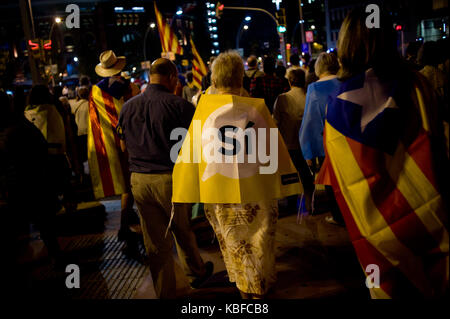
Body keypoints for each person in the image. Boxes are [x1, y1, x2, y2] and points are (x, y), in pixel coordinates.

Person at [317, 8, 449, 298]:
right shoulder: (418, 84)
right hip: (432, 221)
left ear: (346, 43)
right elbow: (437, 145)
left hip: (377, 234)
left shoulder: (336, 105)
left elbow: (346, 182)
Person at [118, 58, 213, 298]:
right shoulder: (179, 106)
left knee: (154, 240)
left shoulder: (127, 107)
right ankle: (196, 275)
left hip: (139, 179)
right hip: (170, 178)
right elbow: (197, 144)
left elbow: (122, 145)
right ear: (172, 77)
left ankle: (165, 290)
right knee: (182, 230)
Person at [203, 51, 280, 299]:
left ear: (214, 82)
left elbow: (198, 155)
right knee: (258, 241)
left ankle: (243, 288)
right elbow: (272, 150)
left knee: (234, 242)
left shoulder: (204, 113)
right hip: (258, 187)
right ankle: (258, 287)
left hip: (221, 189)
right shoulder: (258, 109)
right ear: (242, 79)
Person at [89, 50, 139, 250]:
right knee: (131, 187)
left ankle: (127, 224)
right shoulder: (132, 88)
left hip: (111, 145)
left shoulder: (95, 91)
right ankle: (124, 227)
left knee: (126, 186)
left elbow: (96, 122)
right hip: (133, 143)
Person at [299, 52, 342, 223]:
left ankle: (338, 216)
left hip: (328, 142)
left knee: (331, 181)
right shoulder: (344, 82)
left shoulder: (315, 88)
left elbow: (311, 121)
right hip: (349, 138)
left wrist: (308, 152)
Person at [273, 68, 314, 213]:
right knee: (307, 174)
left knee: (291, 175)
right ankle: (310, 202)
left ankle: (291, 204)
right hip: (308, 144)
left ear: (290, 81)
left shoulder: (282, 98)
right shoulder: (310, 96)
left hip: (289, 143)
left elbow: (275, 123)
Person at [71, 86, 89, 164]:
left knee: (83, 154)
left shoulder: (74, 105)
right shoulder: (90, 104)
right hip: (89, 131)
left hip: (79, 132)